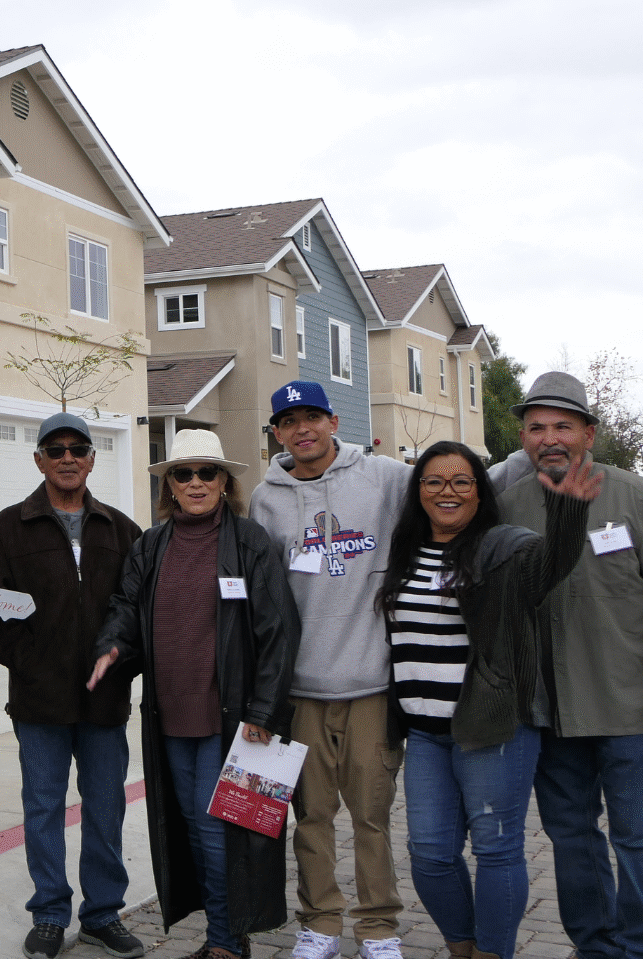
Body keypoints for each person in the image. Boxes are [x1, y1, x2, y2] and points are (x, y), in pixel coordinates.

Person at [495, 372, 643, 959]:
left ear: (589, 433)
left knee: (641, 840)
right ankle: (594, 946)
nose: (550, 437)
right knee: (571, 838)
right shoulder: (509, 506)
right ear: (523, 437)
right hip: (550, 710)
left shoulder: (635, 497)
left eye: (563, 425)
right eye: (536, 427)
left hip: (632, 707)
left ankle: (640, 950)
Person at [377, 440, 600, 959]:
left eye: (461, 481)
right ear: (419, 491)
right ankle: (463, 946)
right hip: (424, 732)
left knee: (496, 850)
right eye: (433, 481)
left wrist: (568, 512)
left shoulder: (503, 548)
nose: (447, 491)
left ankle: (492, 952)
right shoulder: (405, 550)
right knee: (429, 854)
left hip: (492, 727)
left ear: (480, 492)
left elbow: (551, 565)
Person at [88, 428, 300, 959]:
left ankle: (227, 944)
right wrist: (113, 645)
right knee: (188, 826)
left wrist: (263, 711)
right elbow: (125, 605)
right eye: (184, 474)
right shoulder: (151, 545)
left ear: (225, 481)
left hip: (233, 719)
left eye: (208, 472)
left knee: (217, 831)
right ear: (171, 487)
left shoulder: (251, 543)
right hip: (169, 715)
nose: (197, 482)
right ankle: (226, 938)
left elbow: (278, 632)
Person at [247, 381, 413, 959]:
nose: (303, 430)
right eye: (289, 421)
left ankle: (379, 928)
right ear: (277, 432)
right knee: (311, 817)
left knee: (371, 817)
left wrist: (534, 456)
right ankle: (320, 922)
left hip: (370, 683)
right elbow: (260, 601)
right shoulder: (265, 499)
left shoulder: (385, 478)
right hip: (300, 691)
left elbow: (461, 484)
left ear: (333, 420)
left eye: (312, 417)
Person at [0, 411, 148, 959]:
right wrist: (26, 663)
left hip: (105, 703)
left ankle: (101, 914)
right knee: (43, 806)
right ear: (39, 460)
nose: (68, 457)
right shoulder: (9, 527)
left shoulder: (123, 530)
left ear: (93, 459)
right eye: (56, 449)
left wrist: (121, 667)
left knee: (105, 807)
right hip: (38, 701)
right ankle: (50, 912)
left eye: (78, 448)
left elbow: (141, 611)